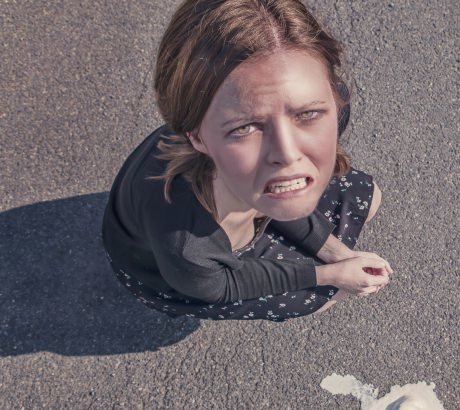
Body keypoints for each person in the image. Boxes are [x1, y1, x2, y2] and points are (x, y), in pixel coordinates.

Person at [101, 0, 393, 322]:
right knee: (319, 297)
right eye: (245, 127)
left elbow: (280, 188)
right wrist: (331, 275)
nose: (287, 154)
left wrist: (339, 255)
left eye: (307, 113)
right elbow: (225, 283)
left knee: (370, 197)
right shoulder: (186, 244)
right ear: (195, 136)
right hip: (174, 273)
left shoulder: (324, 114)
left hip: (240, 202)